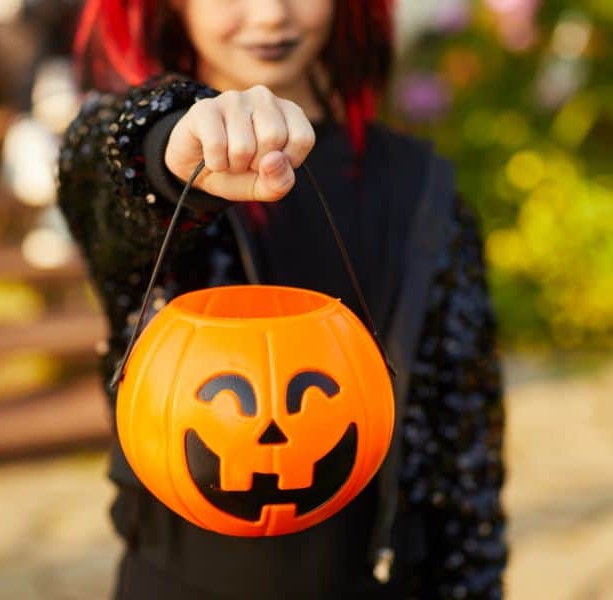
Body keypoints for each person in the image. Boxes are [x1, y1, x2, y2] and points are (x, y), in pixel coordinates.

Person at [56, 0, 507, 598]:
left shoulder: (422, 195)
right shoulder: (140, 157)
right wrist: (173, 146)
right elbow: (107, 162)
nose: (270, 15)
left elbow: (462, 470)